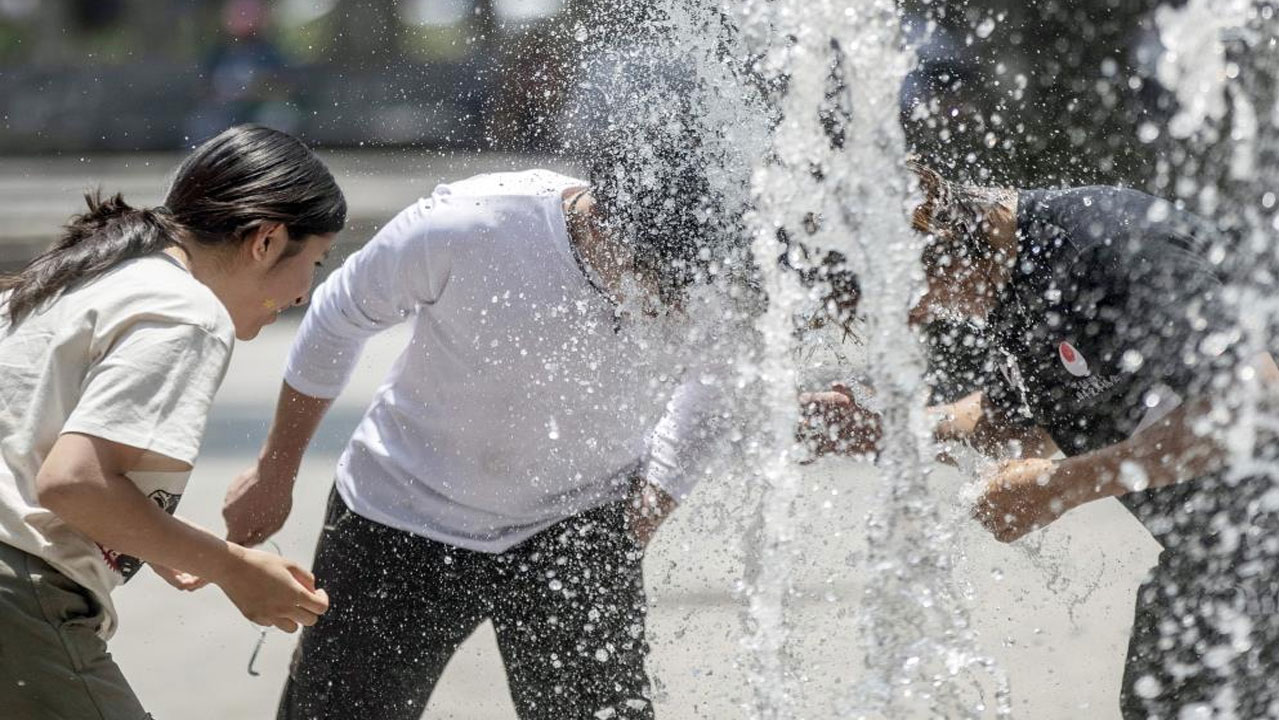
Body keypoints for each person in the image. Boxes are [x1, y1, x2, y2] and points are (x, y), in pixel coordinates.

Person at [221, 137, 738, 717]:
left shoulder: (710, 262)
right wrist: (275, 469)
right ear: (600, 222)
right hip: (401, 510)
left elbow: (722, 378)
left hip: (577, 522)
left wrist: (653, 497)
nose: (667, 307)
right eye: (653, 281)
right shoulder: (471, 224)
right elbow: (338, 315)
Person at [802, 162, 1279, 717]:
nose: (917, 316)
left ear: (933, 233)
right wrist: (885, 431)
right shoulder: (1016, 288)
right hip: (1220, 558)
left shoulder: (1112, 245)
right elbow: (1013, 426)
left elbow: (1251, 404)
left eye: (904, 298)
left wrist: (1061, 486)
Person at [0, 124, 344, 719]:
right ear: (266, 240)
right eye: (315, 261)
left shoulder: (79, 275)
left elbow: (28, 450)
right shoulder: (187, 314)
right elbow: (73, 482)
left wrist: (147, 534)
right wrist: (235, 569)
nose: (302, 294)